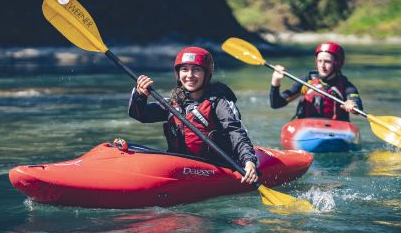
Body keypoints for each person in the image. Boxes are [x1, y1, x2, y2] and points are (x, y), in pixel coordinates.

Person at [128, 47, 259, 184]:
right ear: (178, 74)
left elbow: (235, 131)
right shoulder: (173, 103)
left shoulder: (219, 102)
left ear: (206, 74)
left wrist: (248, 161)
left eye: (196, 69)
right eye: (184, 69)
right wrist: (140, 96)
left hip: (216, 167)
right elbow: (141, 115)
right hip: (181, 166)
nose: (189, 75)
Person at [270, 41, 363, 121]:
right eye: (320, 61)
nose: (322, 66)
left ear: (337, 63)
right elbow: (276, 104)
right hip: (306, 127)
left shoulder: (346, 86)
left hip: (335, 130)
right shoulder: (306, 82)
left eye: (327, 62)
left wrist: (352, 105)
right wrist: (275, 82)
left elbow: (358, 106)